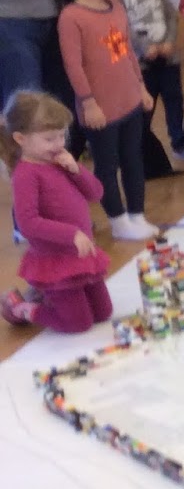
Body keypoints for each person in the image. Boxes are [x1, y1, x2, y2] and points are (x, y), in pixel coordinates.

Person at [56, 0, 159, 241]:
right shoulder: (72, 17)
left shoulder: (117, 8)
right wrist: (88, 103)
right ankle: (118, 220)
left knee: (133, 159)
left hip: (129, 100)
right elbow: (73, 66)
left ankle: (136, 214)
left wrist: (140, 86)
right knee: (107, 165)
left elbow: (127, 52)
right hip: (101, 108)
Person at [0, 90, 112, 332]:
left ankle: (44, 296)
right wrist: (71, 234)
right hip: (56, 259)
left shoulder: (60, 161)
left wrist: (76, 170)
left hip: (81, 254)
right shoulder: (26, 174)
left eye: (62, 136)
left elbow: (96, 193)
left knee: (104, 312)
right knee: (78, 323)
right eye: (49, 139)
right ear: (20, 139)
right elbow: (28, 223)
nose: (59, 144)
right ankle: (23, 308)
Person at [113, 0, 184, 162]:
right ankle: (141, 148)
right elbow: (121, 27)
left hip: (168, 58)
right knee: (144, 107)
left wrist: (169, 41)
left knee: (174, 101)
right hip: (142, 64)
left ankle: (180, 142)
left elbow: (171, 16)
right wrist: (143, 48)